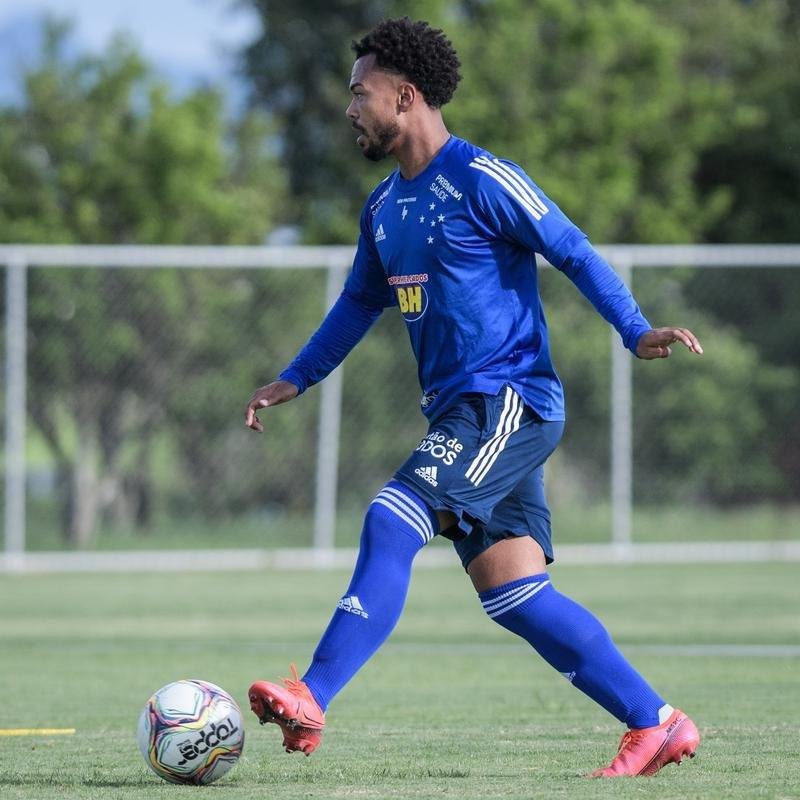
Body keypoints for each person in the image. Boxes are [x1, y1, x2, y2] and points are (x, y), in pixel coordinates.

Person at [245, 17, 702, 778]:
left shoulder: (484, 177)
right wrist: (297, 376)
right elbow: (358, 304)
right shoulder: (383, 208)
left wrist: (634, 328)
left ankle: (312, 695)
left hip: (508, 400)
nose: (350, 108)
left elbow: (572, 250)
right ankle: (657, 722)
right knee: (514, 593)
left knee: (392, 517)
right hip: (464, 413)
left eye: (359, 93)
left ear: (405, 96)